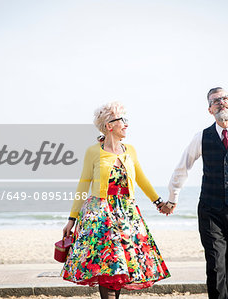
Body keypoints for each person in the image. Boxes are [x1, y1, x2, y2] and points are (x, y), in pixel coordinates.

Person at [162, 87, 228, 299]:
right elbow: (182, 168)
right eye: (215, 101)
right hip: (210, 210)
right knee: (215, 265)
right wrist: (172, 198)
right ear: (210, 110)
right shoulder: (202, 137)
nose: (221, 102)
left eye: (225, 98)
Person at [61, 102, 170, 299]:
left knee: (121, 266)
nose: (126, 124)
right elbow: (83, 185)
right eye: (122, 120)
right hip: (100, 215)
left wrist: (158, 202)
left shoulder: (130, 150)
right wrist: (72, 218)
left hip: (126, 214)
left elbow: (141, 179)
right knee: (109, 264)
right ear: (109, 125)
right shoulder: (93, 151)